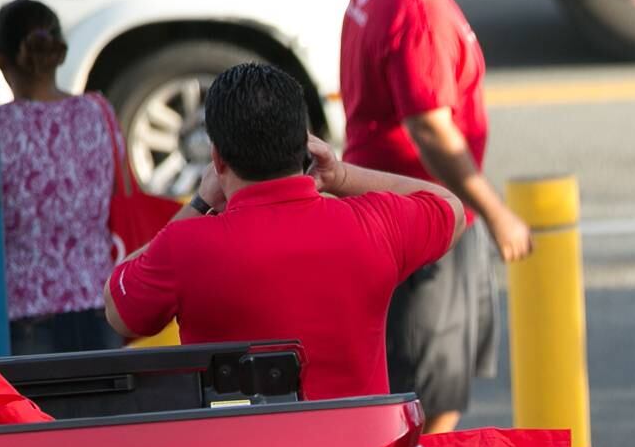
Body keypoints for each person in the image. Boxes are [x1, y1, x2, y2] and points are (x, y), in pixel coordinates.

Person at [105, 62, 466, 401]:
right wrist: (341, 176)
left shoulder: (185, 246)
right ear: (305, 145)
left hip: (237, 445)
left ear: (217, 160)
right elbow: (449, 205)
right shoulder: (375, 225)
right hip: (361, 445)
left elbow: (119, 310)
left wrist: (199, 204)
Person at [341, 0, 533, 434]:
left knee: (432, 381)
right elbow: (429, 127)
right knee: (429, 395)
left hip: (395, 214)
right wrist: (495, 211)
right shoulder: (421, 10)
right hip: (423, 221)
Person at [0, 0, 120, 355]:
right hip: (99, 307)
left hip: (20, 318)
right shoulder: (97, 113)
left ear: (0, 58)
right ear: (58, 53)